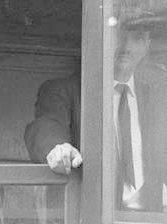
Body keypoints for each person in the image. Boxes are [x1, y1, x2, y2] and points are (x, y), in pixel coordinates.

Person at [24, 13, 164, 211]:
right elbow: (46, 125)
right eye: (118, 36)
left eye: (137, 38)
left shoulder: (159, 95)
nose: (126, 47)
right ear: (100, 40)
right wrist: (58, 149)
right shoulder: (64, 90)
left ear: (147, 46)